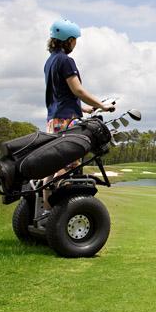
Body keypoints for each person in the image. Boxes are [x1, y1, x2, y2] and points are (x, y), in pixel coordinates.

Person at [42, 19, 115, 214]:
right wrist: (102, 105)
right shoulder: (66, 61)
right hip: (67, 121)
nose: (75, 44)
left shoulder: (50, 62)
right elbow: (78, 90)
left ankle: (48, 211)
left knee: (53, 166)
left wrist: (87, 110)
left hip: (54, 120)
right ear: (69, 40)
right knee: (69, 165)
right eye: (75, 41)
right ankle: (61, 211)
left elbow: (62, 95)